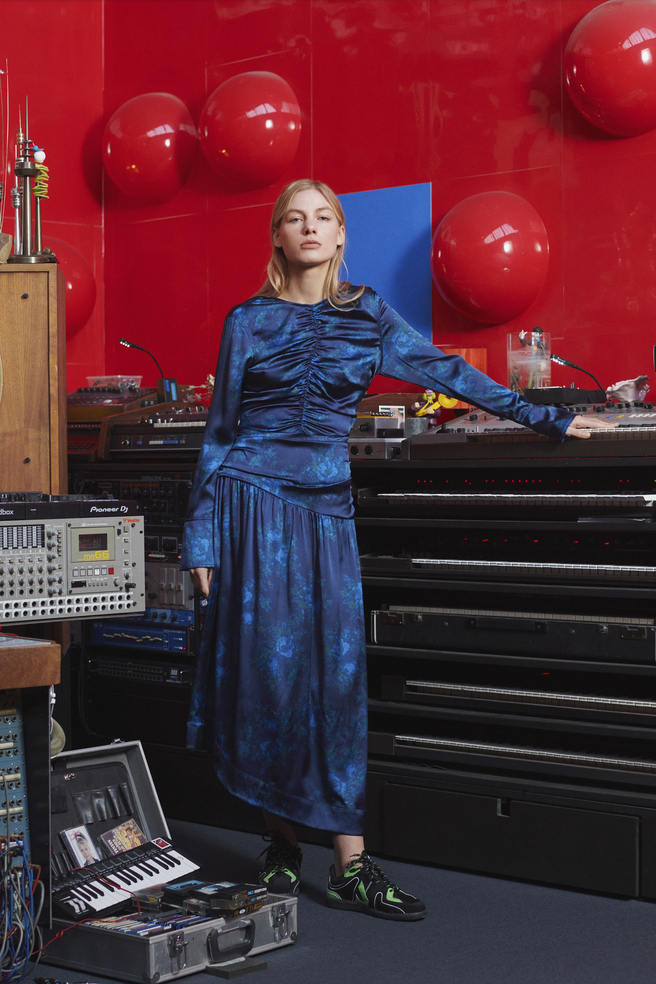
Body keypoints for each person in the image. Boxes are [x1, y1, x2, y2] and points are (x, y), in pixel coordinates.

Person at [181, 178, 609, 922]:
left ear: (341, 234)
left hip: (325, 512)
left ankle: (351, 864)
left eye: (322, 218)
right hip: (251, 507)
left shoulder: (368, 313)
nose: (309, 229)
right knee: (266, 677)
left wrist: (548, 419)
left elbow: (447, 371)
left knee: (336, 679)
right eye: (294, 219)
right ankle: (280, 843)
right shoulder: (247, 320)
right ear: (278, 236)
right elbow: (220, 434)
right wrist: (200, 534)